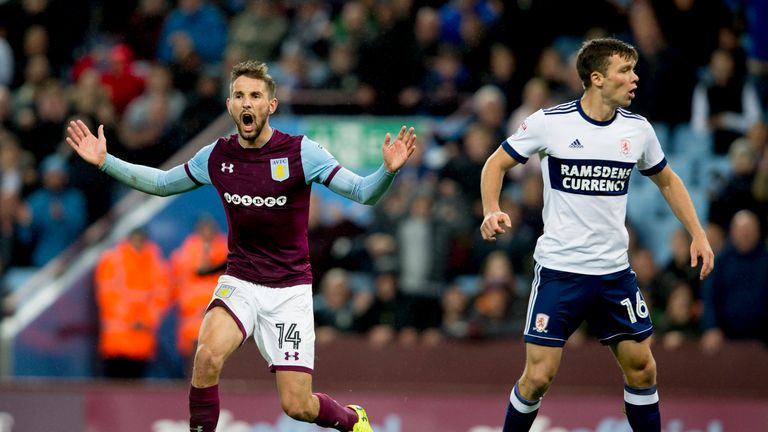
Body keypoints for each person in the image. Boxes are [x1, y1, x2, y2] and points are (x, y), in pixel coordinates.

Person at [66, 60, 416, 432]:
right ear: (230, 105)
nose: (247, 103)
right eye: (239, 96)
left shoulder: (301, 153)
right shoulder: (216, 156)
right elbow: (163, 183)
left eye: (255, 96)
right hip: (242, 283)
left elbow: (363, 193)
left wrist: (387, 172)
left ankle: (351, 419)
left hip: (289, 291)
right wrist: (106, 162)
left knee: (297, 406)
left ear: (271, 105)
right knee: (207, 356)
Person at [479, 38, 714, 432]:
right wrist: (491, 209)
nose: (635, 78)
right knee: (538, 377)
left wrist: (698, 233)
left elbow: (669, 182)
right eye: (625, 70)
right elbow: (494, 163)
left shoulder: (638, 130)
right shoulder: (550, 123)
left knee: (642, 369)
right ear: (597, 78)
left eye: (634, 70)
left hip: (613, 275)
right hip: (560, 271)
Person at [94, 227, 171, 378]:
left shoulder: (156, 263)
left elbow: (162, 296)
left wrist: (145, 319)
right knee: (115, 384)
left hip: (141, 338)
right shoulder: (113, 260)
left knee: (135, 386)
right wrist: (132, 318)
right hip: (118, 338)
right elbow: (107, 294)